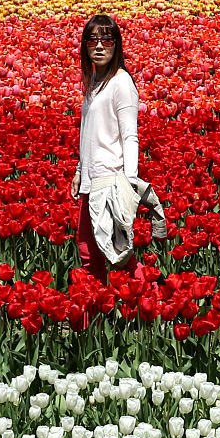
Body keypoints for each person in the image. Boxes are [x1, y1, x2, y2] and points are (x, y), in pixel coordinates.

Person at [70, 14, 146, 282]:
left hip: (110, 183)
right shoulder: (94, 83)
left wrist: (129, 183)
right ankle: (94, 313)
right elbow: (88, 132)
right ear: (84, 45)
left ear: (117, 46)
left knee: (118, 253)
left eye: (107, 39)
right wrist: (80, 170)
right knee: (89, 253)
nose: (99, 46)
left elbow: (130, 137)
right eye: (92, 39)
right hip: (91, 183)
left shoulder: (121, 84)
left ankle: (152, 303)